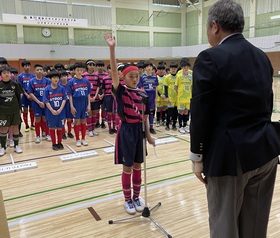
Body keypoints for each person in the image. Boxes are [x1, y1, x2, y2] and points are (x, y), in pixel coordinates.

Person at [190, 1, 280, 237]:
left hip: (231, 158)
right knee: (255, 228)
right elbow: (266, 105)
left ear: (214, 26)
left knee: (224, 229)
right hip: (266, 150)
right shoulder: (262, 57)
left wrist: (197, 156)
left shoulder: (210, 57)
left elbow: (201, 110)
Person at [104, 33, 155, 215]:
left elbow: (145, 117)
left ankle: (136, 196)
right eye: (131, 76)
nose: (134, 78)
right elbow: (113, 74)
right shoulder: (121, 91)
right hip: (126, 131)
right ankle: (127, 200)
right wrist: (112, 49)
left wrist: (148, 136)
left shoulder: (143, 94)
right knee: (127, 168)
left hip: (139, 131)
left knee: (138, 166)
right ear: (123, 77)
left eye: (136, 76)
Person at [0, 66, 23, 156]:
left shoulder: (15, 84)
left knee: (15, 127)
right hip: (3, 111)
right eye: (4, 73)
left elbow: (19, 97)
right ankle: (3, 147)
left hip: (14, 110)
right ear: (1, 75)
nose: (7, 74)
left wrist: (19, 109)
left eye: (8, 73)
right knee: (3, 128)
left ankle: (16, 146)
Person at [68, 62, 91, 147]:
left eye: (81, 70)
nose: (79, 71)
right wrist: (71, 106)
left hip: (84, 102)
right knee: (77, 121)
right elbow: (70, 95)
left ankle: (83, 138)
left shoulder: (86, 81)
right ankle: (77, 139)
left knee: (83, 120)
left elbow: (88, 94)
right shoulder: (71, 82)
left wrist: (89, 105)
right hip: (76, 102)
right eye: (77, 70)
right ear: (74, 71)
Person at [43, 71, 66, 150]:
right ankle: (54, 143)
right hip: (50, 113)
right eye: (54, 78)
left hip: (61, 112)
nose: (56, 79)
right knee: (52, 128)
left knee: (60, 128)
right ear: (50, 79)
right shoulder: (47, 89)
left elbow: (64, 99)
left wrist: (60, 109)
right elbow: (46, 101)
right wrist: (52, 110)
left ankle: (59, 142)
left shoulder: (62, 88)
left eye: (57, 77)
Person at [28, 64, 51, 143]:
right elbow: (30, 93)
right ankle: (38, 136)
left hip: (46, 103)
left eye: (41, 69)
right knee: (37, 119)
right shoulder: (32, 81)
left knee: (45, 118)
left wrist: (45, 101)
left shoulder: (47, 81)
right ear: (34, 71)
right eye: (37, 70)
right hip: (36, 103)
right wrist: (38, 102)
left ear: (43, 71)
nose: (39, 71)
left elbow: (49, 92)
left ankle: (47, 134)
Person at [137, 61, 158, 134]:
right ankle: (144, 128)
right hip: (145, 96)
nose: (149, 68)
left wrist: (156, 98)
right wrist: (143, 97)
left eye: (150, 66)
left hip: (152, 96)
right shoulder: (142, 77)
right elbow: (141, 88)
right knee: (145, 113)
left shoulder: (155, 77)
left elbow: (156, 88)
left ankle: (151, 127)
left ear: (152, 68)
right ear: (145, 68)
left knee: (151, 112)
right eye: (147, 67)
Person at [83, 59, 100, 137]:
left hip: (95, 98)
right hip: (87, 99)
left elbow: (98, 87)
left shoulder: (97, 76)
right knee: (89, 113)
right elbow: (84, 88)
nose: (91, 66)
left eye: (93, 65)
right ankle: (89, 129)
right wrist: (89, 98)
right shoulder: (84, 76)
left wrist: (95, 96)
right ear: (87, 66)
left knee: (94, 114)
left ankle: (93, 129)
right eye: (90, 65)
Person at [175, 60, 192, 134]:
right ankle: (180, 126)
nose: (186, 68)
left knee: (186, 112)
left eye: (187, 67)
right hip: (181, 98)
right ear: (182, 67)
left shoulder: (190, 77)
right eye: (185, 67)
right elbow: (175, 87)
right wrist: (180, 94)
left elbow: (191, 86)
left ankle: (185, 126)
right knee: (181, 112)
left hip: (188, 98)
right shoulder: (179, 76)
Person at [18, 60, 35, 132]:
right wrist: (26, 94)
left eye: (28, 65)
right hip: (25, 96)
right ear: (23, 67)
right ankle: (26, 125)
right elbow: (20, 87)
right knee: (25, 110)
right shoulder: (20, 76)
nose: (27, 67)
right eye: (25, 66)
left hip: (32, 95)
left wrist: (31, 95)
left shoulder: (33, 76)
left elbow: (34, 86)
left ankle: (32, 125)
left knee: (32, 110)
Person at [164, 62, 178, 131]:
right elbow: (165, 87)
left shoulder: (178, 76)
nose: (173, 69)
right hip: (170, 97)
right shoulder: (167, 77)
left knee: (175, 112)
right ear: (170, 69)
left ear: (176, 69)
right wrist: (166, 97)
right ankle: (167, 124)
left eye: (175, 68)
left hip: (177, 98)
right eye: (172, 68)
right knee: (169, 112)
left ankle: (174, 125)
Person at [60, 70, 74, 139]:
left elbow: (70, 95)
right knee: (63, 119)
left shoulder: (69, 85)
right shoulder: (59, 86)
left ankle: (69, 132)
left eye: (65, 76)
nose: (64, 78)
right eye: (62, 77)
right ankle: (63, 133)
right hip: (62, 104)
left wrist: (71, 106)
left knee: (69, 119)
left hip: (68, 103)